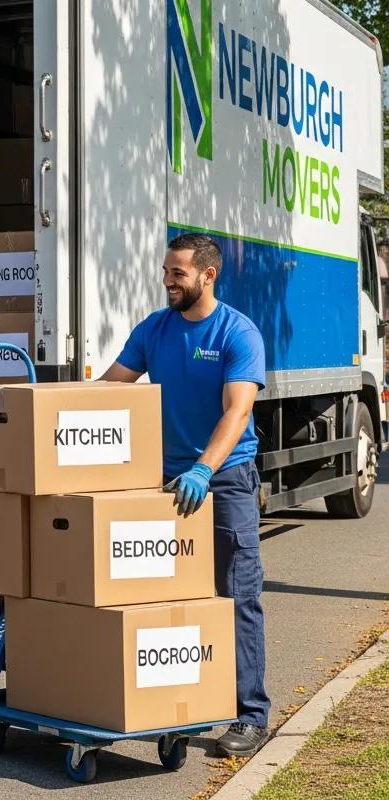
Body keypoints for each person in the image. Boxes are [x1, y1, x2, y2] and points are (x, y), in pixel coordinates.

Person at [100, 233, 270, 758]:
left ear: (207, 274)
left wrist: (203, 467)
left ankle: (250, 715)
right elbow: (110, 388)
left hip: (223, 480)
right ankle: (180, 703)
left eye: (178, 273)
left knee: (236, 593)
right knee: (166, 603)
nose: (168, 281)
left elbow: (236, 411)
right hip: (165, 483)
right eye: (167, 271)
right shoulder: (156, 328)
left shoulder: (237, 333)